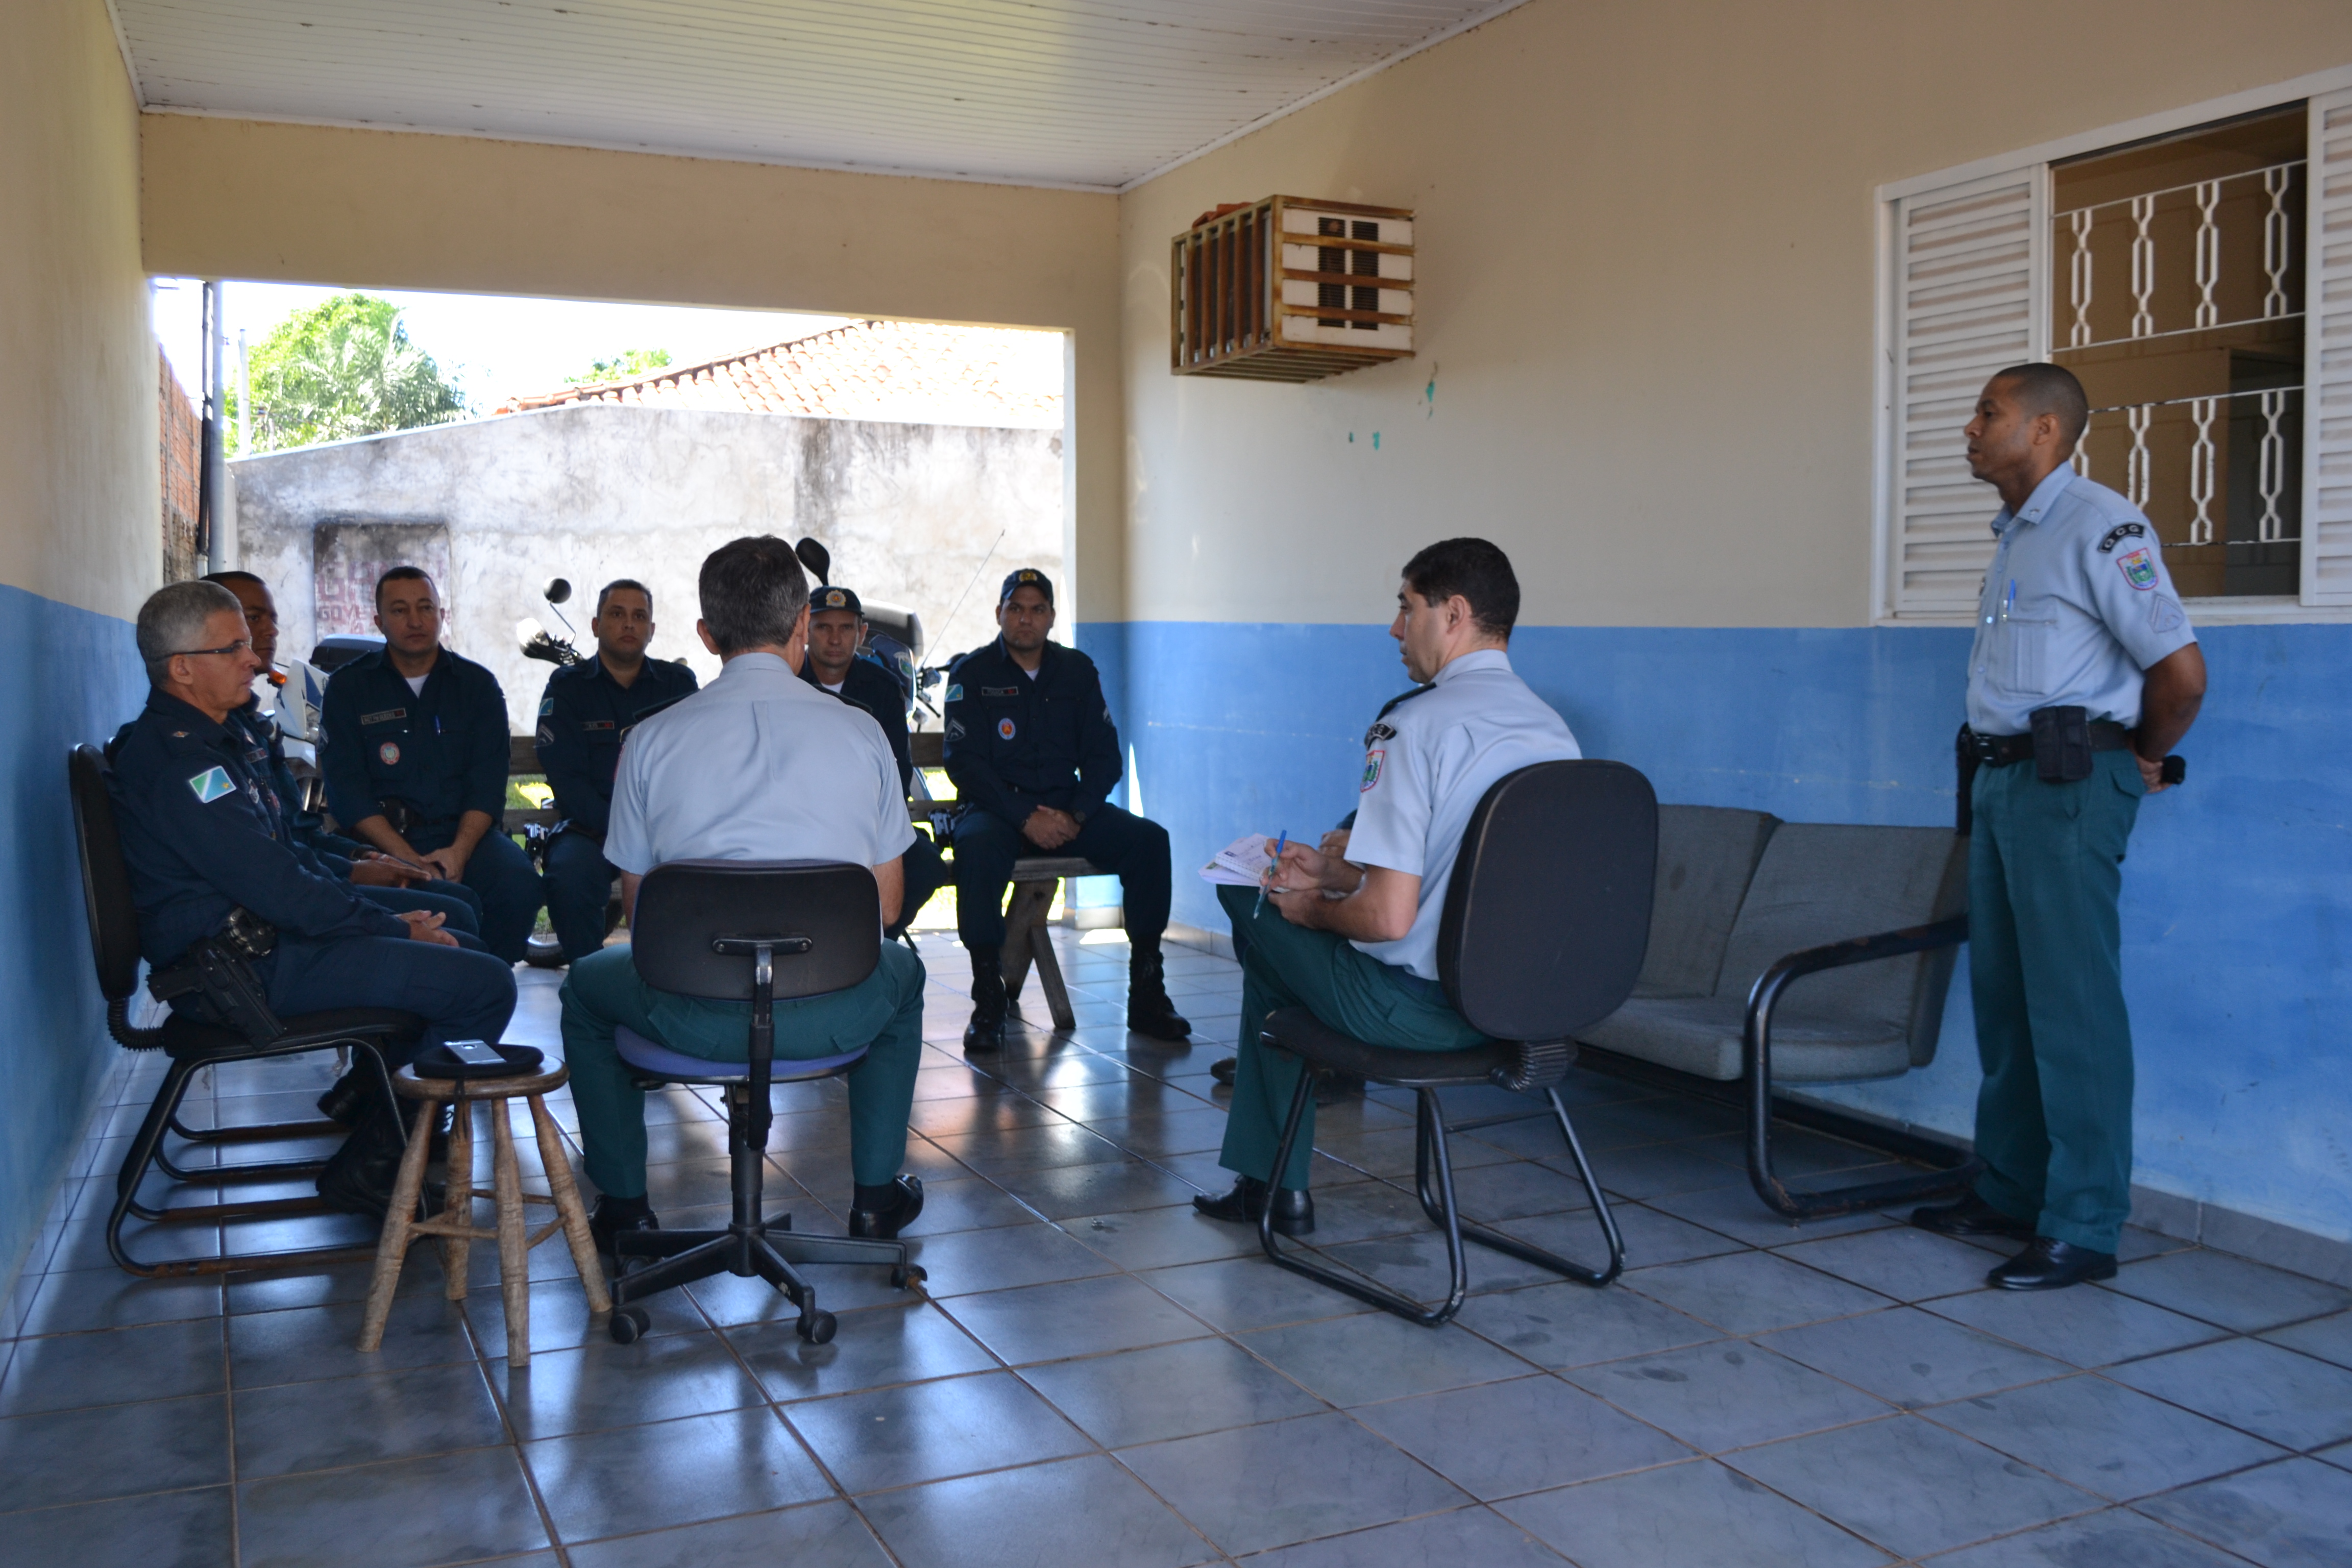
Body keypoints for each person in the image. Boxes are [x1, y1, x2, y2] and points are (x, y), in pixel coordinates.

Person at [1911, 363, 2206, 1291]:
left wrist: (2140, 757)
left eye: (1987, 413)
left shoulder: (2101, 527)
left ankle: (2083, 1223)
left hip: (2072, 786)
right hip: (2003, 781)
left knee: (2073, 1007)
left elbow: (2181, 676)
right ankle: (2010, 1189)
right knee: (2004, 999)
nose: (1969, 428)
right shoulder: (2015, 538)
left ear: (2045, 428)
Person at [1194, 538, 1580, 1236]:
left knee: (1247, 897)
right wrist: (1337, 874)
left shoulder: (1412, 726)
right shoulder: (1553, 734)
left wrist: (1311, 907)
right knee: (1283, 962)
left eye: (1407, 608)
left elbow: (1388, 919)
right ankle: (1269, 1184)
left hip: (1418, 1013)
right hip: (1526, 1009)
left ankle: (1272, 1186)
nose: (1396, 629)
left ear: (1453, 614)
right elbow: (1465, 877)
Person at [558, 535, 930, 1253]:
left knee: (584, 989)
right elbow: (887, 911)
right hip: (831, 1012)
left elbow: (642, 917)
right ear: (802, 625)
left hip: (692, 1016)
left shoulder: (650, 742)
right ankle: (876, 1201)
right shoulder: (862, 735)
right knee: (904, 978)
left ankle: (627, 1208)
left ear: (706, 635)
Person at [109, 581, 518, 1218]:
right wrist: (392, 928)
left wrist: (375, 905)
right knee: (485, 985)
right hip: (243, 972)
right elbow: (279, 886)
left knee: (459, 939)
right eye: (232, 648)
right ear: (182, 669)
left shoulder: (211, 740)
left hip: (258, 945)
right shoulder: (185, 766)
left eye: (248, 643)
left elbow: (285, 858)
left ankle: (379, 1105)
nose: (253, 659)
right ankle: (376, 1164)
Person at [942, 568, 1189, 1051]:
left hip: (1066, 810)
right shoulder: (972, 674)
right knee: (976, 848)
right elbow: (964, 762)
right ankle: (988, 999)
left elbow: (1105, 757)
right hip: (998, 811)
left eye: (1037, 610)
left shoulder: (1077, 671)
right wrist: (1024, 816)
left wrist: (1075, 815)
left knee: (1149, 842)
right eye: (1016, 609)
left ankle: (1147, 993)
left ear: (1052, 617)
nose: (1026, 619)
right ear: (999, 614)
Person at [202, 570, 485, 942]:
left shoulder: (247, 728)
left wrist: (359, 857)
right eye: (253, 619)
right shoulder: (195, 758)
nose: (270, 631)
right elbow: (272, 870)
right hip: (269, 930)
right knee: (459, 926)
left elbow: (297, 832)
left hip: (317, 881)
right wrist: (361, 878)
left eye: (271, 619)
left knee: (471, 905)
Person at [320, 566, 544, 964]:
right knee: (429, 901)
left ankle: (489, 977)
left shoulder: (477, 686)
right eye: (400, 610)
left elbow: (487, 784)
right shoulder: (348, 688)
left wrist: (460, 851)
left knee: (519, 885)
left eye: (426, 608)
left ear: (442, 615)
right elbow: (348, 792)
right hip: (383, 842)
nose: (415, 620)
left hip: (465, 837)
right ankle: (447, 986)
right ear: (379, 621)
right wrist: (405, 857)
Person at [533, 579, 699, 965]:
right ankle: (589, 977)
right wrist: (626, 829)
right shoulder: (568, 688)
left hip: (665, 830)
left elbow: (695, 764)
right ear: (595, 625)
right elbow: (567, 779)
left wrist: (658, 828)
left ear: (651, 630)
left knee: (711, 866)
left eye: (639, 617)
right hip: (593, 832)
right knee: (569, 875)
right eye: (617, 614)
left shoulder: (677, 685)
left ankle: (682, 975)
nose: (629, 624)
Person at [799, 583, 944, 938]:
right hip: (802, 823)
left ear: (862, 633)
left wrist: (862, 824)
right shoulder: (789, 681)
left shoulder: (882, 688)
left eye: (846, 628)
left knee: (926, 866)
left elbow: (898, 771)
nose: (835, 638)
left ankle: (874, 945)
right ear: (805, 630)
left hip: (869, 822)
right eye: (824, 627)